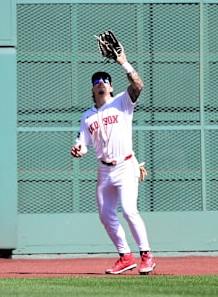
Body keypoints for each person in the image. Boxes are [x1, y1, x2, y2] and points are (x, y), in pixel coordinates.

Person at [70, 49, 156, 275]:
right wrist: (79, 149)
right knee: (106, 215)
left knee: (128, 210)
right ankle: (125, 256)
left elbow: (138, 86)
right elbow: (84, 142)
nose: (101, 83)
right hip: (104, 170)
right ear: (92, 88)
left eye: (105, 81)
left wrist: (124, 63)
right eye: (96, 81)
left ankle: (146, 255)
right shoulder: (87, 116)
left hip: (126, 165)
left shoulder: (122, 102)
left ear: (111, 86)